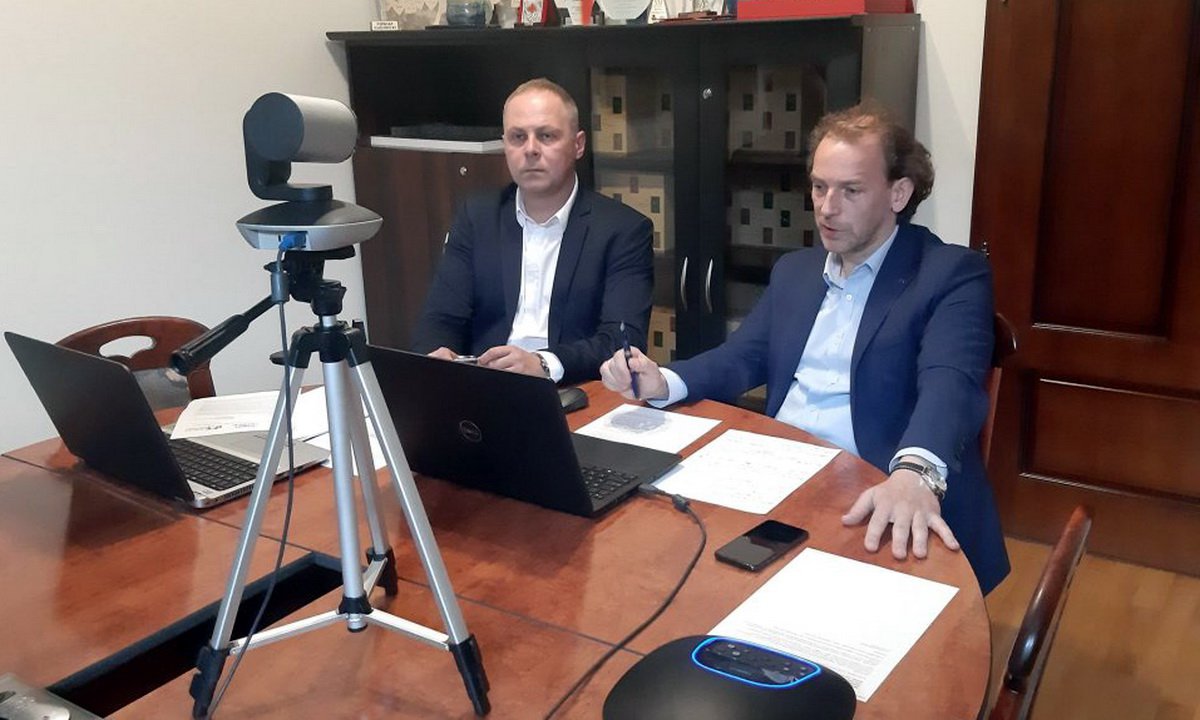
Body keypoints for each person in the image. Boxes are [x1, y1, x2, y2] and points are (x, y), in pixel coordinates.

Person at [600, 104, 1009, 593]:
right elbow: (742, 357)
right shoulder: (795, 271)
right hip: (778, 473)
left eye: (850, 190)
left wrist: (915, 472)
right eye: (819, 187)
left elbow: (950, 383)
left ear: (898, 193)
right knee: (652, 557)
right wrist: (664, 379)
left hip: (874, 484)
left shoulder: (949, 273)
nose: (827, 207)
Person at [412, 78, 654, 385]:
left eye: (546, 136)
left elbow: (621, 342)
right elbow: (440, 318)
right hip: (485, 387)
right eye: (517, 137)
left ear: (578, 144)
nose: (530, 150)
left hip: (573, 389)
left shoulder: (623, 230)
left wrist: (543, 363)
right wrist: (436, 355)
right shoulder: (477, 217)